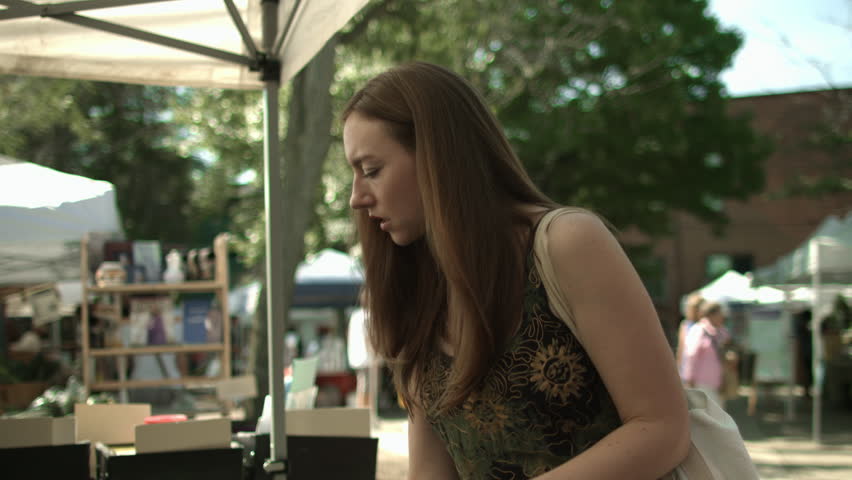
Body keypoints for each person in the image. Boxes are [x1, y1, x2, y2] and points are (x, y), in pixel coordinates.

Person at [343, 61, 689, 480]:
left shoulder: (566, 243)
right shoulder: (417, 293)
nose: (356, 198)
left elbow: (662, 429)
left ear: (439, 157)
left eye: (371, 170)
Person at [681, 301, 730, 407]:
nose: (722, 317)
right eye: (720, 314)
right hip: (701, 382)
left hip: (717, 382)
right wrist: (689, 377)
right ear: (712, 315)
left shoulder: (720, 332)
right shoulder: (698, 330)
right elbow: (691, 354)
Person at [676, 292, 705, 380]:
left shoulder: (704, 326)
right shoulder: (686, 325)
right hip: (687, 364)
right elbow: (681, 348)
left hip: (700, 367)